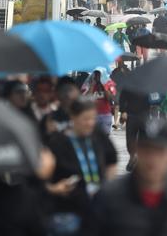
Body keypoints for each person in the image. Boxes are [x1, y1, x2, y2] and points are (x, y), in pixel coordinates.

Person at [84, 117, 167, 236]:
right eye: (146, 149)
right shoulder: (108, 197)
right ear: (134, 149)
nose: (152, 159)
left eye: (160, 151)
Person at [46, 98, 118, 235]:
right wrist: (54, 189)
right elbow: (41, 177)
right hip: (68, 213)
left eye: (93, 118)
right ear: (73, 117)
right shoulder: (58, 143)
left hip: (97, 209)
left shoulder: (97, 135)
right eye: (85, 119)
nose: (90, 123)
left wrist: (107, 186)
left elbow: (112, 160)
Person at [82, 70, 116, 135]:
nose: (98, 77)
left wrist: (105, 86)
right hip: (93, 115)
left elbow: (110, 98)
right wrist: (92, 86)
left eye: (100, 75)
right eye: (96, 75)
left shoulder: (107, 85)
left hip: (106, 115)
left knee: (105, 137)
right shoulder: (90, 85)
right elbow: (87, 98)